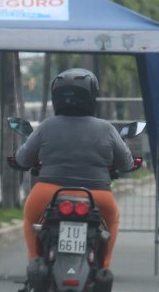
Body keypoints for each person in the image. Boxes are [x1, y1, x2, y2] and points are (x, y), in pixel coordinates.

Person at [12, 68, 134, 272]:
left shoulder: (46, 126)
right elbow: (126, 163)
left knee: (30, 218)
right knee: (112, 219)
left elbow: (23, 159)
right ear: (91, 96)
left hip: (48, 193)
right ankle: (104, 266)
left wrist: (16, 158)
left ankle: (34, 261)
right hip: (97, 195)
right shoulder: (106, 128)